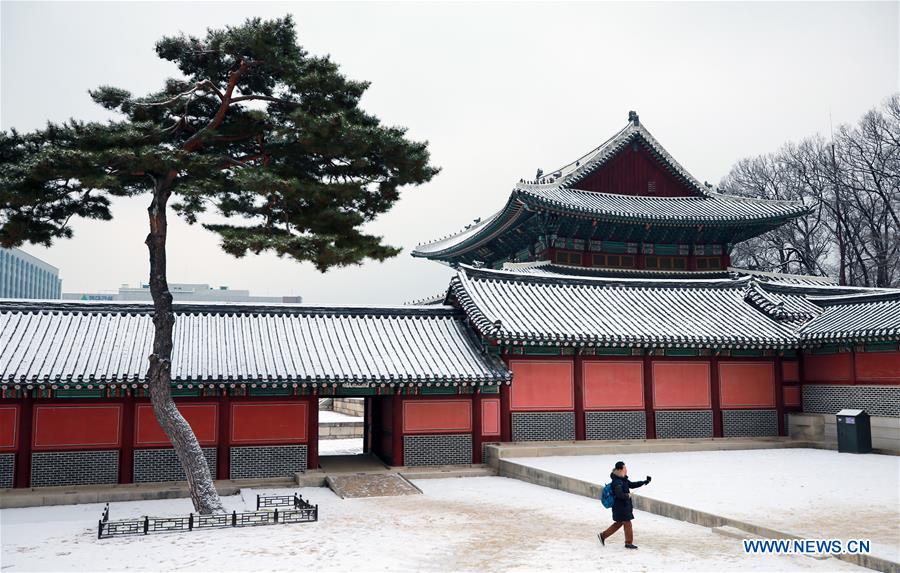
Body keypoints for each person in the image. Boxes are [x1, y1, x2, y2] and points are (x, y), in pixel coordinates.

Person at [598, 460, 651, 549]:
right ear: (620, 470)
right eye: (624, 468)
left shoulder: (623, 479)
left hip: (623, 506)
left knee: (619, 523)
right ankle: (628, 543)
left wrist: (644, 482)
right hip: (620, 507)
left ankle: (603, 536)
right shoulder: (616, 482)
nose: (626, 470)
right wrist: (627, 495)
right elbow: (619, 494)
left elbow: (632, 484)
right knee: (627, 523)